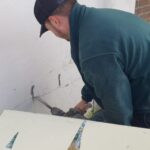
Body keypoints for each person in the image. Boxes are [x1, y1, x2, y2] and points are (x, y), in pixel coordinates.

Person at [34, 0, 150, 128]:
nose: (54, 34)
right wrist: (84, 100)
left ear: (55, 21)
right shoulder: (95, 20)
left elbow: (118, 111)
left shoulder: (93, 48)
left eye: (50, 30)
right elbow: (102, 76)